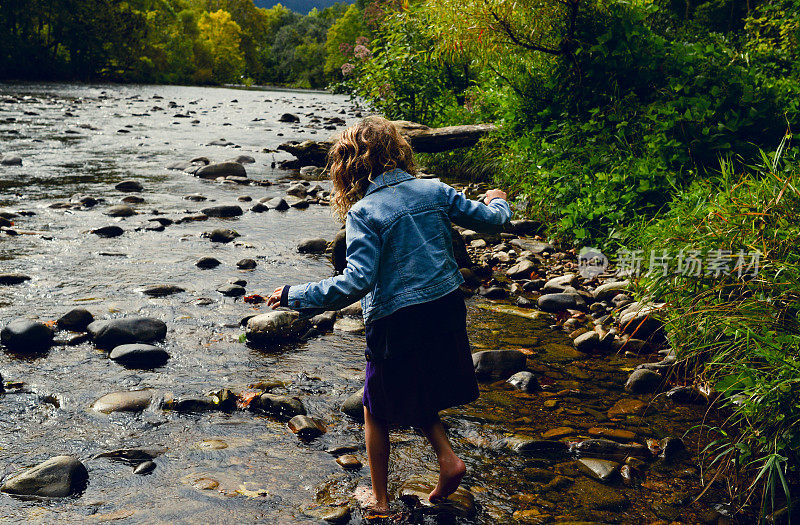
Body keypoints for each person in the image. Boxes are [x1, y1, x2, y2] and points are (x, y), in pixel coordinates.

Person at [267, 116, 510, 515]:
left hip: (397, 320)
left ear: (350, 165)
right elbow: (495, 221)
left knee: (374, 406)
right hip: (445, 307)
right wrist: (497, 198)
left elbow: (355, 282)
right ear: (397, 151)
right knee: (417, 387)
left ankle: (379, 499)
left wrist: (296, 295)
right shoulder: (434, 190)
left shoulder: (365, 211)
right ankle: (448, 461)